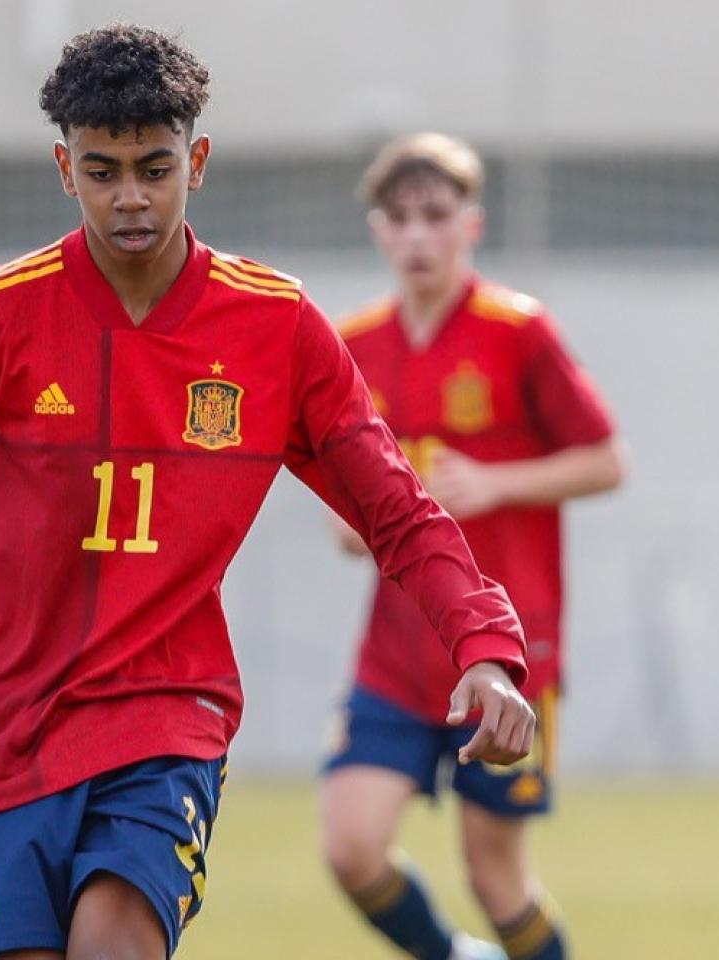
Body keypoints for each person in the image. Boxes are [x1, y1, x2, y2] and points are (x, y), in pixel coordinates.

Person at [0, 25, 538, 960]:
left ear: (197, 159)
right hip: (3, 721)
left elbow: (398, 509)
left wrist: (485, 646)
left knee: (114, 947)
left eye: (154, 166)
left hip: (166, 711)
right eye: (102, 171)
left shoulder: (276, 326)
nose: (130, 196)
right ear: (64, 168)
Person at [319, 133, 625, 960]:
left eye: (436, 216)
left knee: (495, 880)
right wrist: (350, 526)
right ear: (379, 231)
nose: (417, 235)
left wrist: (496, 483)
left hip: (510, 652)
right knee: (350, 848)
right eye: (399, 217)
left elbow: (606, 460)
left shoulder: (519, 330)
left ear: (471, 226)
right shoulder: (352, 344)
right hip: (396, 653)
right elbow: (342, 503)